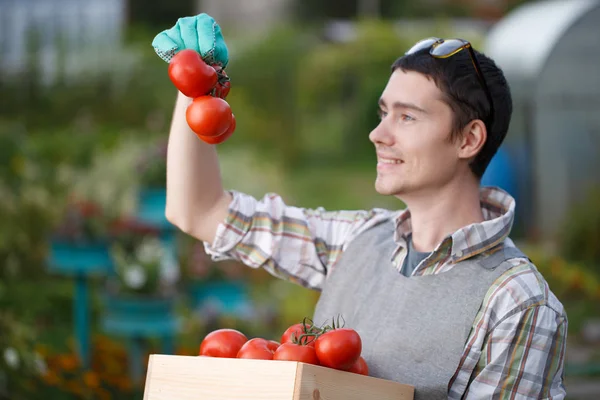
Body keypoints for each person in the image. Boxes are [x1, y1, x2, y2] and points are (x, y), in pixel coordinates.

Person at [163, 29, 567, 399]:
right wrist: (197, 85)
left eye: (406, 117)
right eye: (383, 112)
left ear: (468, 139)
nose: (378, 134)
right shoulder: (358, 239)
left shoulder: (517, 303)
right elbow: (201, 211)